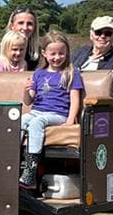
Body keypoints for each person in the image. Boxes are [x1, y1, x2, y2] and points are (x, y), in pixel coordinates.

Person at [19, 33, 83, 190]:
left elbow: (75, 99)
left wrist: (69, 121)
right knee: (17, 122)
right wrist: (26, 91)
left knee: (36, 123)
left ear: (67, 52)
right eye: (52, 53)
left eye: (61, 53)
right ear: (44, 54)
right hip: (37, 112)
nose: (57, 57)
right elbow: (28, 101)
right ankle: (13, 161)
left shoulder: (71, 73)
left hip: (57, 115)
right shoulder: (39, 74)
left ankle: (31, 170)